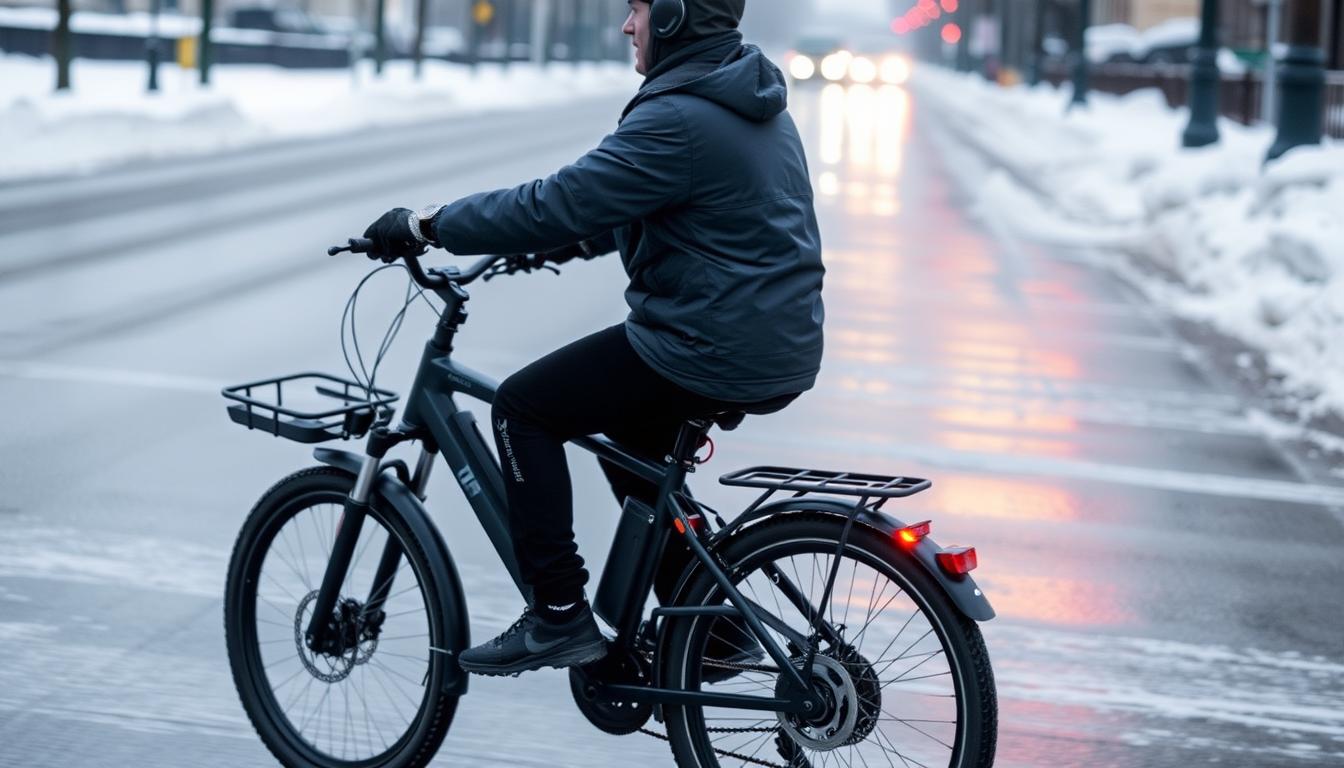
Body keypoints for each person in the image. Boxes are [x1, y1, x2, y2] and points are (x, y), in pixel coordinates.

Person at [360, 0, 824, 677]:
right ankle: (715, 635)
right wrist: (570, 243)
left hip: (709, 343)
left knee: (524, 407)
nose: (625, 26)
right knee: (628, 446)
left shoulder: (676, 117)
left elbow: (556, 201)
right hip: (770, 338)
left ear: (673, 18)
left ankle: (558, 617)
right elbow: (672, 204)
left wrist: (427, 224)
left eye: (636, 10)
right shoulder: (747, 100)